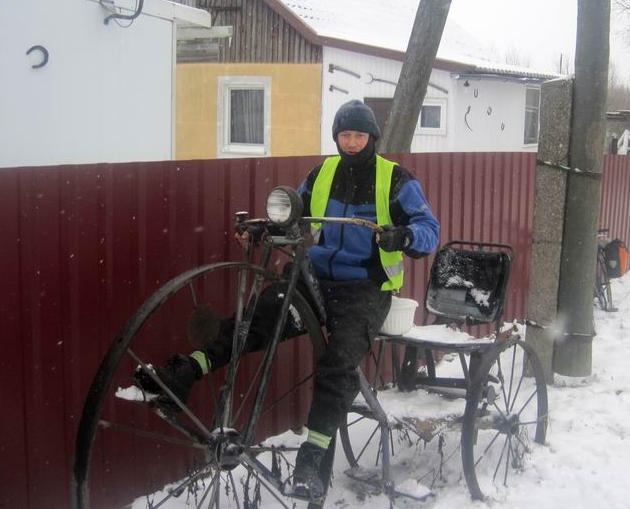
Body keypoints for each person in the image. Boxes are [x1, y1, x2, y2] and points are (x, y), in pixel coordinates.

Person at [134, 100, 440, 500]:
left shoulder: (396, 179)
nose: (350, 143)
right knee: (254, 322)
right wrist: (264, 229)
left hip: (364, 289)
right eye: (344, 135)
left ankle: (312, 458)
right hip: (312, 281)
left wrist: (404, 236)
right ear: (336, 137)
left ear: (372, 138)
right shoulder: (321, 174)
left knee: (338, 364)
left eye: (358, 135)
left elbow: (428, 229)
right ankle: (184, 373)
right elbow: (291, 215)